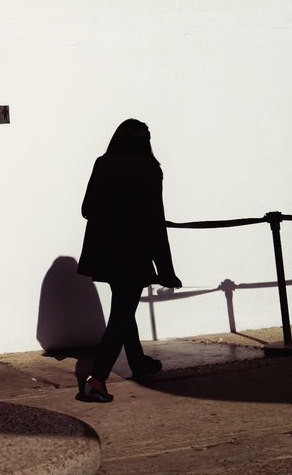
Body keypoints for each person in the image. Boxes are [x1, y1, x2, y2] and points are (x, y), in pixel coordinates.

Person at [75, 119, 182, 403]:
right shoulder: (150, 170)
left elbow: (86, 208)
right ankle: (97, 380)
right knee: (122, 313)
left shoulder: (102, 163)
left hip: (105, 253)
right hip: (133, 255)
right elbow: (155, 225)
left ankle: (139, 365)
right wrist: (167, 270)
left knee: (124, 308)